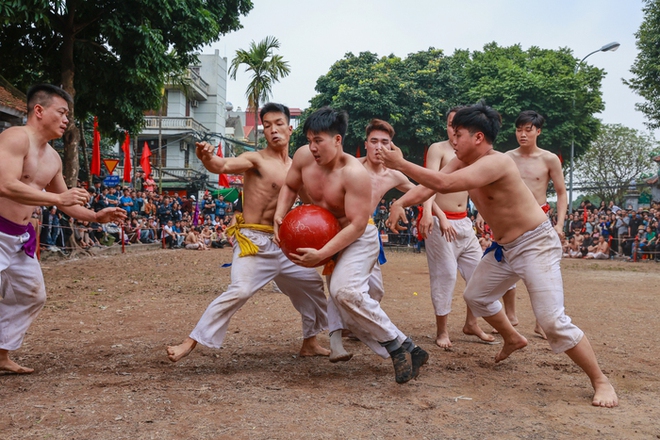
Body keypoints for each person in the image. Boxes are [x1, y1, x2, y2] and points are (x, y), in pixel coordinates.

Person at [381, 102, 617, 406]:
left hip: (536, 244)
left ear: (478, 138)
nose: (453, 140)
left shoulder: (498, 163)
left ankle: (601, 380)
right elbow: (430, 188)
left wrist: (400, 163)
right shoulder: (460, 159)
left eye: (459, 134)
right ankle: (512, 337)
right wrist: (401, 203)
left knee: (552, 321)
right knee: (476, 296)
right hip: (505, 248)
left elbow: (444, 183)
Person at [274, 107, 428, 384]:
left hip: (358, 237)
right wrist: (279, 214)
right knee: (344, 300)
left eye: (318, 140)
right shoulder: (302, 157)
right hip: (325, 235)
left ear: (337, 140)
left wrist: (322, 253)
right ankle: (405, 347)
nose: (312, 147)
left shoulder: (354, 173)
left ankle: (396, 346)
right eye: (309, 140)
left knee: (344, 292)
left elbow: (357, 224)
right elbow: (290, 185)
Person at [167, 103, 330, 363]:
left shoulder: (298, 169)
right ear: (263, 132)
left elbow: (313, 205)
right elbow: (221, 165)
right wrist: (206, 156)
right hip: (253, 241)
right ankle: (191, 341)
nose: (273, 130)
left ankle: (310, 342)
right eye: (267, 126)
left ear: (290, 129)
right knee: (240, 290)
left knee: (312, 286)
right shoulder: (255, 159)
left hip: (285, 244)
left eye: (278, 124)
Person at [0, 84, 126, 374]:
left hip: (20, 238)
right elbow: (6, 185)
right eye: (62, 112)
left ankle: (1, 354)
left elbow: (67, 203)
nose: (67, 119)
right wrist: (57, 198)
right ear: (39, 110)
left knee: (32, 295)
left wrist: (95, 216)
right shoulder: (14, 138)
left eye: (68, 114)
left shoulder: (53, 158)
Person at [418, 107, 495, 349]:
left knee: (479, 273)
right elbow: (429, 184)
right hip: (442, 221)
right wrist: (432, 213)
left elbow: (479, 185)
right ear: (447, 126)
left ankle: (471, 323)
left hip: (464, 221)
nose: (455, 130)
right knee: (446, 275)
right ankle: (442, 331)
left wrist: (481, 213)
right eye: (452, 125)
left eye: (459, 126)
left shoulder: (471, 153)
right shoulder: (438, 149)